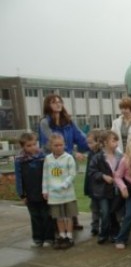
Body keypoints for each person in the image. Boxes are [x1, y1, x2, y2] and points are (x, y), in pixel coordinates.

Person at [38, 93, 88, 230]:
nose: (58, 104)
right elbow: (51, 142)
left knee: (69, 190)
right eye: (54, 102)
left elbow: (80, 136)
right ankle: (58, 224)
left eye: (60, 101)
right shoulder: (45, 122)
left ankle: (72, 220)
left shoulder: (68, 121)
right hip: (53, 161)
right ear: (48, 105)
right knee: (56, 191)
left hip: (68, 162)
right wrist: (72, 153)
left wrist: (92, 145)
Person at [14, 132, 55, 247]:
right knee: (35, 217)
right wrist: (22, 194)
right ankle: (38, 238)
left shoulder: (43, 157)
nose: (33, 147)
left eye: (34, 144)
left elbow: (50, 173)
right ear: (23, 147)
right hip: (30, 193)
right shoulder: (20, 160)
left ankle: (49, 237)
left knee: (47, 215)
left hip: (44, 192)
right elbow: (19, 177)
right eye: (29, 145)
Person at [42, 133, 78, 249]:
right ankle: (62, 235)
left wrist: (64, 184)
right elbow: (45, 175)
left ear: (64, 145)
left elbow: (72, 174)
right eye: (55, 145)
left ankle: (69, 236)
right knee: (58, 217)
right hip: (54, 193)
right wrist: (45, 190)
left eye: (60, 145)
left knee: (68, 216)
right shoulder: (48, 159)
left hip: (67, 193)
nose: (58, 147)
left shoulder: (68, 158)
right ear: (51, 146)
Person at [88, 130, 122, 244]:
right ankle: (103, 233)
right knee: (105, 212)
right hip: (103, 191)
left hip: (115, 190)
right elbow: (92, 172)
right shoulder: (98, 157)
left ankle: (113, 233)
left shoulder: (120, 156)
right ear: (105, 142)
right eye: (113, 140)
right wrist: (103, 176)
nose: (116, 143)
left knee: (113, 212)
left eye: (117, 140)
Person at [84, 130, 102, 236]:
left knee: (103, 209)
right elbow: (88, 173)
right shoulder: (91, 154)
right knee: (94, 208)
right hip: (93, 187)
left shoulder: (101, 154)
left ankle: (104, 226)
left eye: (90, 142)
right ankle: (95, 226)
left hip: (101, 187)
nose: (88, 145)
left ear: (98, 142)